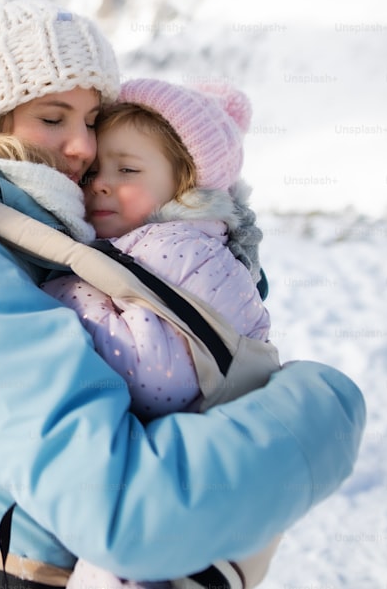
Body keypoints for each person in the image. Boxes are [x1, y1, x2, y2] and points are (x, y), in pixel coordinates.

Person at [0, 0, 365, 587]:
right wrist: (321, 408)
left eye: (92, 120)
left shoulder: (38, 235)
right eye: (53, 118)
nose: (81, 147)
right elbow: (123, 513)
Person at [40, 78, 273, 589]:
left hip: (175, 485)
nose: (100, 183)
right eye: (95, 170)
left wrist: (54, 292)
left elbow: (153, 376)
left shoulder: (177, 247)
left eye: (127, 170)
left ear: (185, 186)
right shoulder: (144, 244)